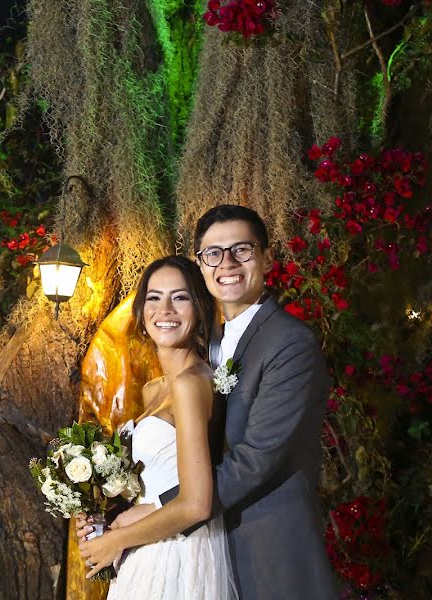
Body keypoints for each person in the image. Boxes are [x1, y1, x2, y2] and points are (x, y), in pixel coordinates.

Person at [78, 205, 337, 599]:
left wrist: (157, 509)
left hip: (263, 544)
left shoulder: (289, 343)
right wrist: (113, 515)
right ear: (200, 264)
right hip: (196, 548)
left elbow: (255, 460)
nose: (227, 263)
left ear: (266, 258)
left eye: (241, 250)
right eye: (213, 253)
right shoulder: (206, 345)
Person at [78, 255, 237, 599]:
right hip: (148, 545)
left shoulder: (192, 383)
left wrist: (115, 541)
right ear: (140, 310)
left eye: (180, 297)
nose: (164, 309)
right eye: (154, 297)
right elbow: (160, 485)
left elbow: (196, 503)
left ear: (200, 309)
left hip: (176, 553)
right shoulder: (154, 387)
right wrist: (106, 527)